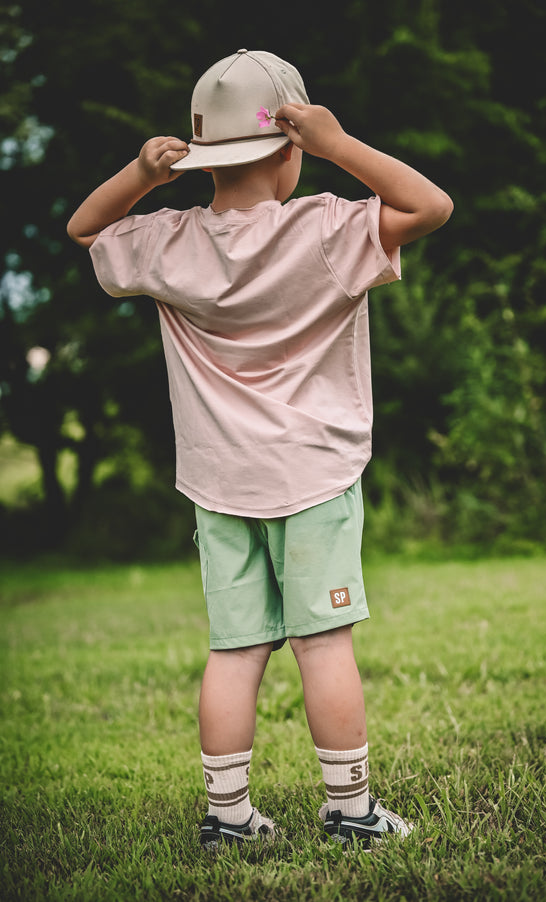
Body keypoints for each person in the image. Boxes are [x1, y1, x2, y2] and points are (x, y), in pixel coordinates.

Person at [67, 49, 452, 848]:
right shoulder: (325, 230)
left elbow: (85, 229)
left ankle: (228, 816)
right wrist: (342, 143)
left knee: (235, 651)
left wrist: (143, 173)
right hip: (314, 474)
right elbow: (430, 206)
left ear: (205, 158)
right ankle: (350, 812)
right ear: (293, 150)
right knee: (323, 644)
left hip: (218, 482)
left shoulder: (169, 242)